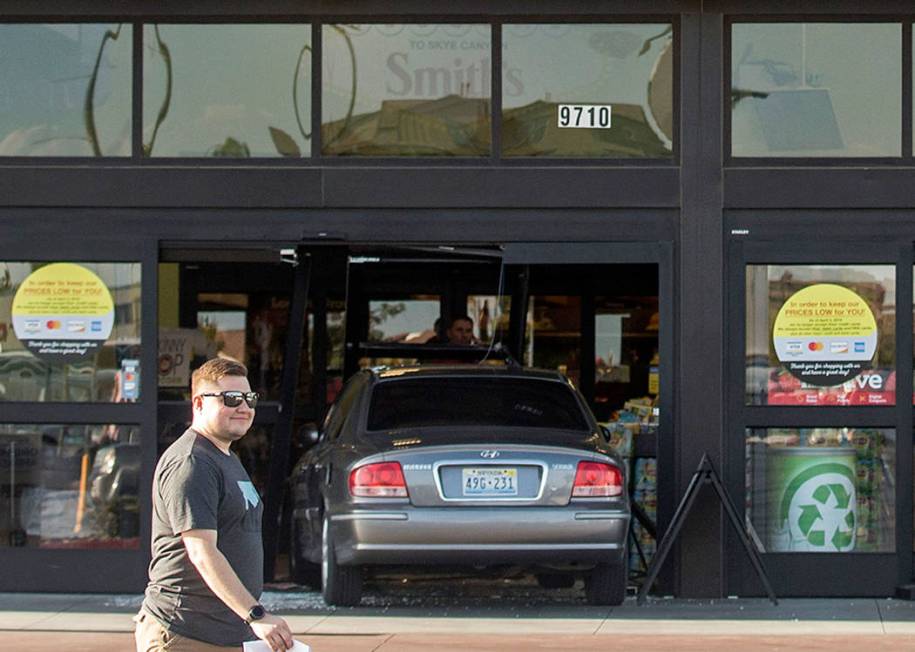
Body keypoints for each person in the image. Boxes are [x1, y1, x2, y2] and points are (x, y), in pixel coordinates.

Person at [135, 357, 294, 652]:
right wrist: (255, 614)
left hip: (224, 633)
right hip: (185, 633)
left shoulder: (225, 457)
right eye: (231, 398)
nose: (244, 408)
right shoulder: (192, 462)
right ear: (198, 404)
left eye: (249, 398)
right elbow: (201, 551)